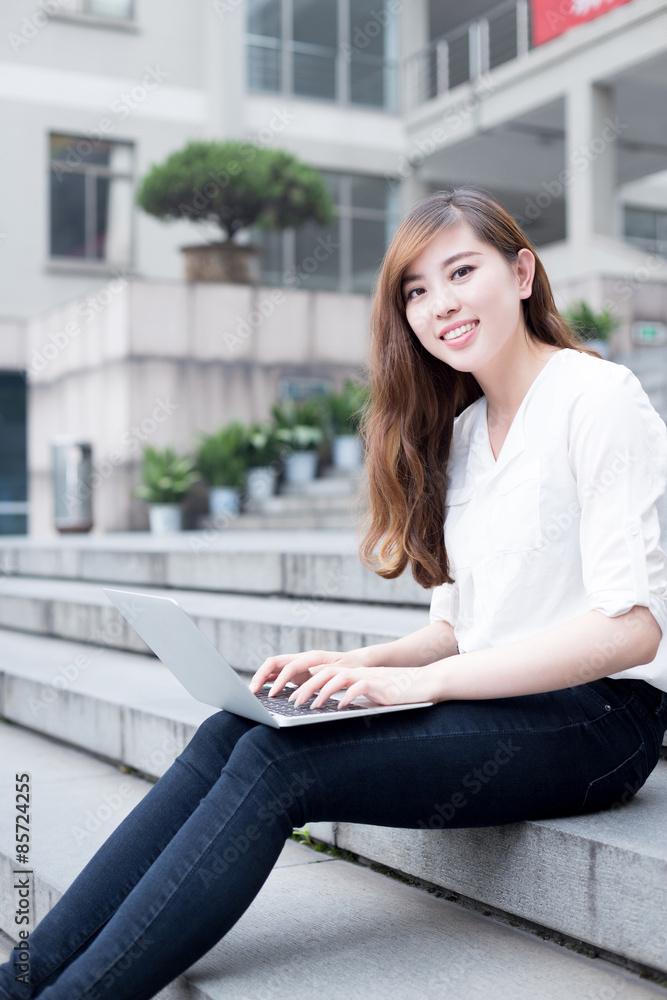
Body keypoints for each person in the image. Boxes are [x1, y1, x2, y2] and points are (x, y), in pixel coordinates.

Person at [3, 186, 667, 1000]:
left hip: (598, 719)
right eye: (415, 291)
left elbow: (632, 628)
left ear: (522, 272)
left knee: (279, 765)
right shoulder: (460, 432)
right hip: (499, 699)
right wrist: (355, 667)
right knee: (232, 729)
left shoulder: (595, 398)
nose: (439, 304)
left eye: (461, 272)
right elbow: (456, 630)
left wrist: (419, 685)